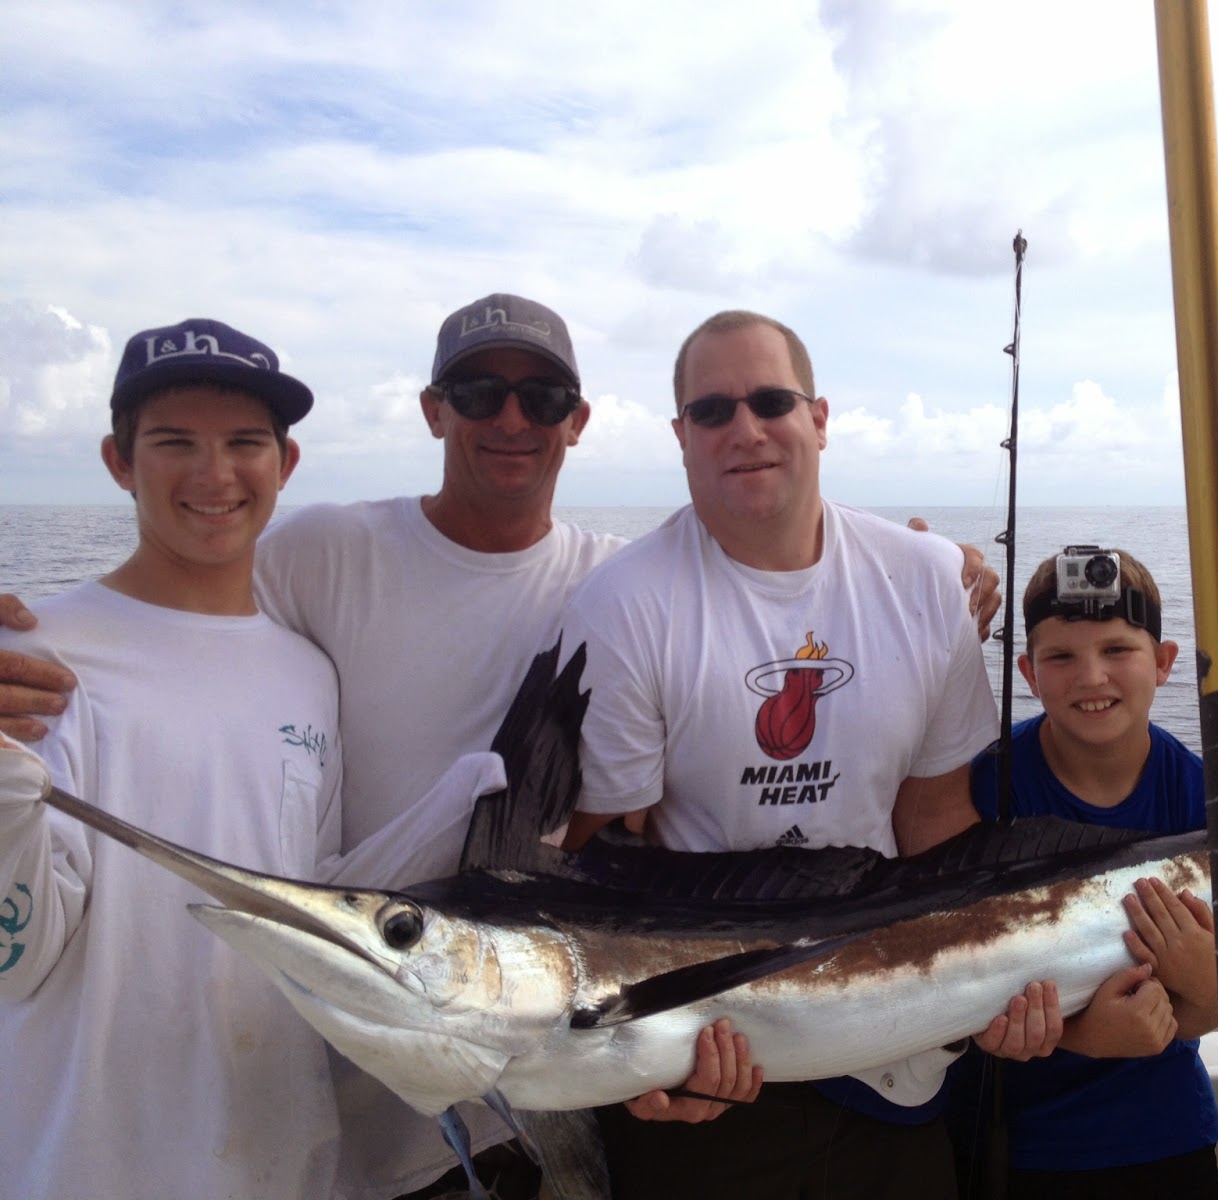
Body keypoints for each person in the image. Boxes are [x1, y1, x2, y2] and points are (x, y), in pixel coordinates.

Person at [0, 294, 1003, 1200]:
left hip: (531, 1082)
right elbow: (178, 591)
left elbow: (744, 599)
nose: (511, 419)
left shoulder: (614, 586)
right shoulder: (314, 556)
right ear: (435, 410)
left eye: (541, 396)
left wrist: (925, 574)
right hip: (346, 1104)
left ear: (579, 420)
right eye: (479, 393)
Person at [557, 309, 1044, 1200]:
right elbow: (605, 865)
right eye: (711, 412)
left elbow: (936, 823)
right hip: (714, 1059)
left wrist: (1003, 980)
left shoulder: (928, 578)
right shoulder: (622, 605)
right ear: (680, 438)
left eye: (770, 401)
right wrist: (635, 1071)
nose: (743, 430)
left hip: (891, 1051)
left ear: (819, 418)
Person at [0, 317, 348, 1198]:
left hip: (286, 1161)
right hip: (83, 1165)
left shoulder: (311, 676)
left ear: (287, 464)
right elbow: (18, 958)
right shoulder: (37, 661)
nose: (214, 474)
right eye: (173, 442)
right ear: (119, 462)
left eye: (244, 443)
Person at [951, 545, 1218, 1200]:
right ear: (1028, 672)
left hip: (1167, 1132)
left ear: (1164, 663)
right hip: (1011, 1139)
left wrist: (1208, 988)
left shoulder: (1206, 795)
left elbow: (1214, 998)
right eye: (1062, 657)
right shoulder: (984, 785)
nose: (1091, 677)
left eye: (1117, 650)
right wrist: (1082, 1038)